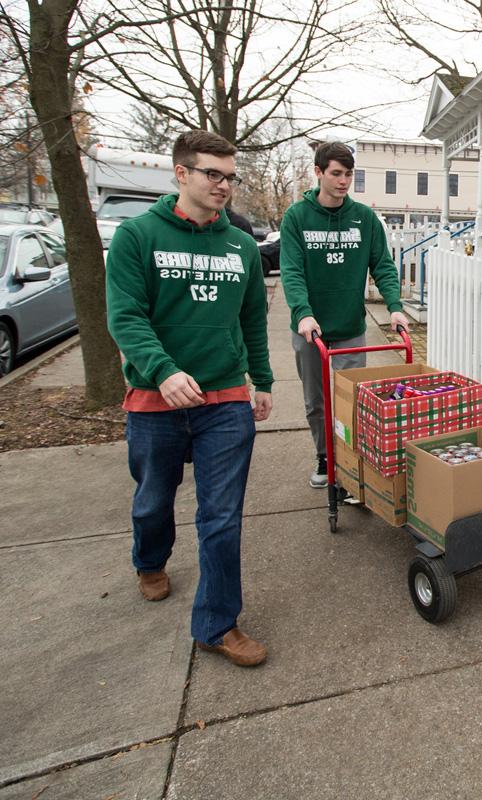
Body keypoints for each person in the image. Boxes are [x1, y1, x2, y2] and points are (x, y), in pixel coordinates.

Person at [106, 130, 273, 668]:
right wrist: (161, 371)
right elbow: (126, 317)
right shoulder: (137, 237)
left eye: (230, 176)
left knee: (221, 516)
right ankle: (149, 560)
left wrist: (262, 380)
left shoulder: (242, 246)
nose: (224, 185)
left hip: (224, 399)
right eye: (213, 174)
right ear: (181, 174)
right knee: (153, 499)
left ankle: (216, 624)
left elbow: (252, 319)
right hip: (156, 402)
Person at [280, 141, 409, 487]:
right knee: (316, 402)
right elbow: (291, 271)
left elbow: (382, 265)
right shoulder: (296, 217)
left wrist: (395, 307)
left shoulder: (364, 218)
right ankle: (325, 457)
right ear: (319, 172)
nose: (343, 181)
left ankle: (351, 464)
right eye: (336, 173)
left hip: (350, 326)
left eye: (349, 174)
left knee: (353, 400)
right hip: (311, 330)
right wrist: (303, 313)